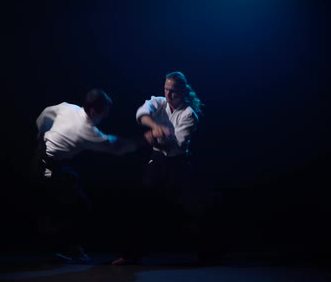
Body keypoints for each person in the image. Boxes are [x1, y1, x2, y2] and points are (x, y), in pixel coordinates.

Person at [32, 88, 138, 262]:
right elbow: (114, 146)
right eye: (103, 114)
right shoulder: (86, 130)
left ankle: (70, 246)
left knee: (74, 201)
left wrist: (42, 135)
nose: (104, 117)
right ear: (94, 111)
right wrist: (142, 140)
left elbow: (45, 114)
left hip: (50, 162)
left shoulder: (68, 108)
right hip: (46, 168)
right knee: (61, 207)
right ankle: (54, 250)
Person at [111, 71, 206, 265]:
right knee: (140, 203)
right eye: (166, 90)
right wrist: (155, 128)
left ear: (183, 91)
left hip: (178, 164)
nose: (169, 95)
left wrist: (156, 139)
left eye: (173, 91)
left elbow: (177, 145)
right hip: (158, 161)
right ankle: (130, 255)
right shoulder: (159, 102)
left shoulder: (190, 115)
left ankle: (207, 254)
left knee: (194, 208)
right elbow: (141, 114)